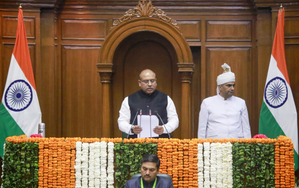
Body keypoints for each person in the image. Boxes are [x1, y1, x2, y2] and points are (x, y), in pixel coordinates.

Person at [118, 69, 179, 138]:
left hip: (161, 143)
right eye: (146, 81)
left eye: (152, 81)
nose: (150, 84)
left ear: (156, 82)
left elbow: (174, 120)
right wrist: (132, 128)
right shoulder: (129, 99)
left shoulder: (166, 98)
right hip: (136, 143)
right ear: (139, 83)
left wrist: (164, 129)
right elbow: (122, 122)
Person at [198, 63, 251, 139]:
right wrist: (202, 147)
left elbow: (246, 128)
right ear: (220, 87)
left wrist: (248, 146)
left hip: (237, 145)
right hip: (215, 145)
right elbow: (202, 129)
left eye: (233, 85)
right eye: (229, 85)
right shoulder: (207, 103)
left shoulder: (241, 103)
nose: (232, 88)